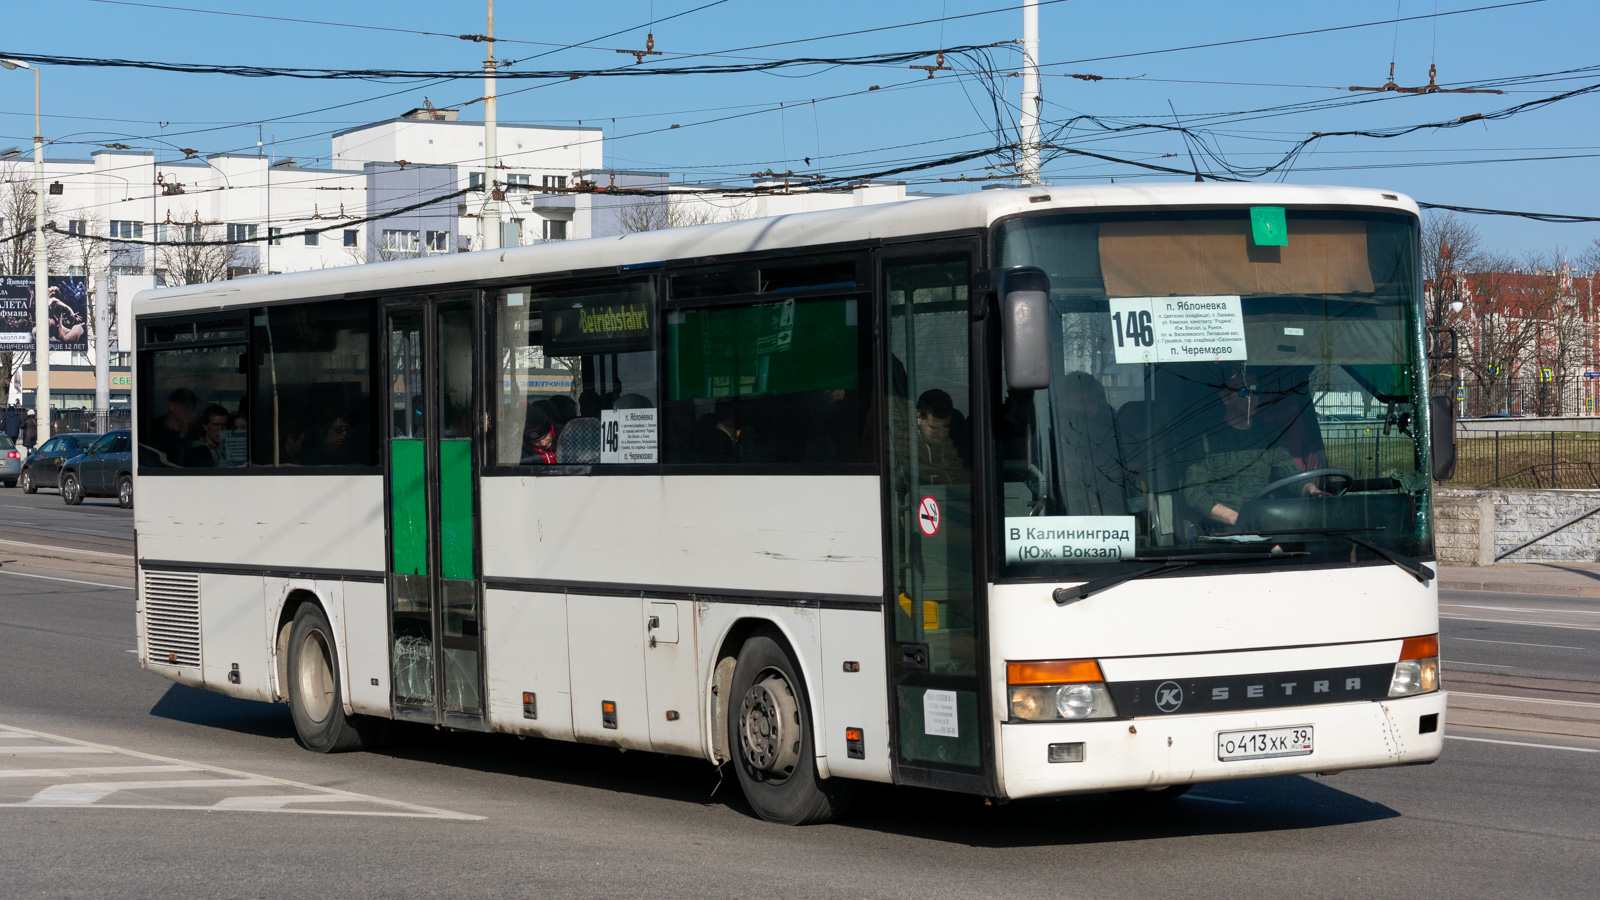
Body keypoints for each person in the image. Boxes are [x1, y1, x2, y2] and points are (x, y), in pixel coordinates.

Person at [1183, 364, 1323, 528]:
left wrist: (1312, 490)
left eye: (1255, 391)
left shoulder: (1269, 435)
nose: (1252, 398)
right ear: (1226, 398)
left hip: (1260, 526)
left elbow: (1291, 476)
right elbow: (1193, 493)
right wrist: (1236, 518)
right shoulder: (1204, 439)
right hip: (1219, 532)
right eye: (1244, 392)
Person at [915, 389, 969, 484]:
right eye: (934, 427)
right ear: (918, 418)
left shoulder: (959, 443)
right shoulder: (905, 443)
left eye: (946, 426)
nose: (941, 433)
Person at [144, 387, 198, 467]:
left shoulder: (194, 431)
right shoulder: (154, 430)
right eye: (185, 407)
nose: (189, 411)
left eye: (192, 408)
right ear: (171, 406)